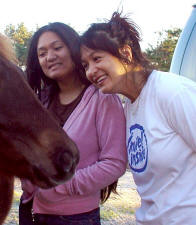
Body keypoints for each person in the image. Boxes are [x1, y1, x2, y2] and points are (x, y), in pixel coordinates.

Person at [80, 12, 196, 225]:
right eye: (85, 65)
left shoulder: (172, 92)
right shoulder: (129, 107)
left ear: (125, 53)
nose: (91, 72)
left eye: (97, 59)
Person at [19, 22, 127, 225]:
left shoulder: (101, 97)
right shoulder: (40, 101)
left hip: (77, 218)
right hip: (32, 213)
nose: (49, 57)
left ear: (73, 48)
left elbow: (115, 163)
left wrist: (62, 184)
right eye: (42, 53)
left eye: (57, 48)